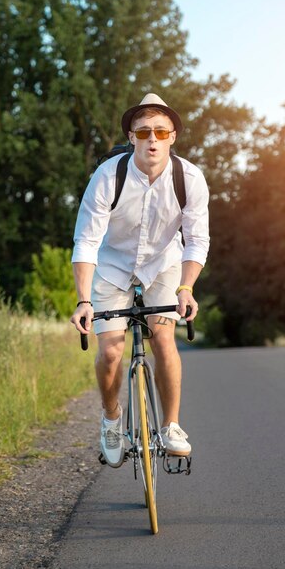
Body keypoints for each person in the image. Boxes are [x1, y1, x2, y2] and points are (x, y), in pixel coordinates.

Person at [70, 93, 209, 468]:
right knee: (112, 351)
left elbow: (197, 240)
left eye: (161, 132)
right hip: (112, 267)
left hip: (164, 267)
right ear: (131, 136)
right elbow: (86, 240)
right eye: (144, 131)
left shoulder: (190, 178)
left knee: (164, 337)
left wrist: (186, 288)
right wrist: (84, 300)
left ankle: (171, 426)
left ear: (172, 137)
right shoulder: (107, 176)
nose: (153, 139)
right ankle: (113, 419)